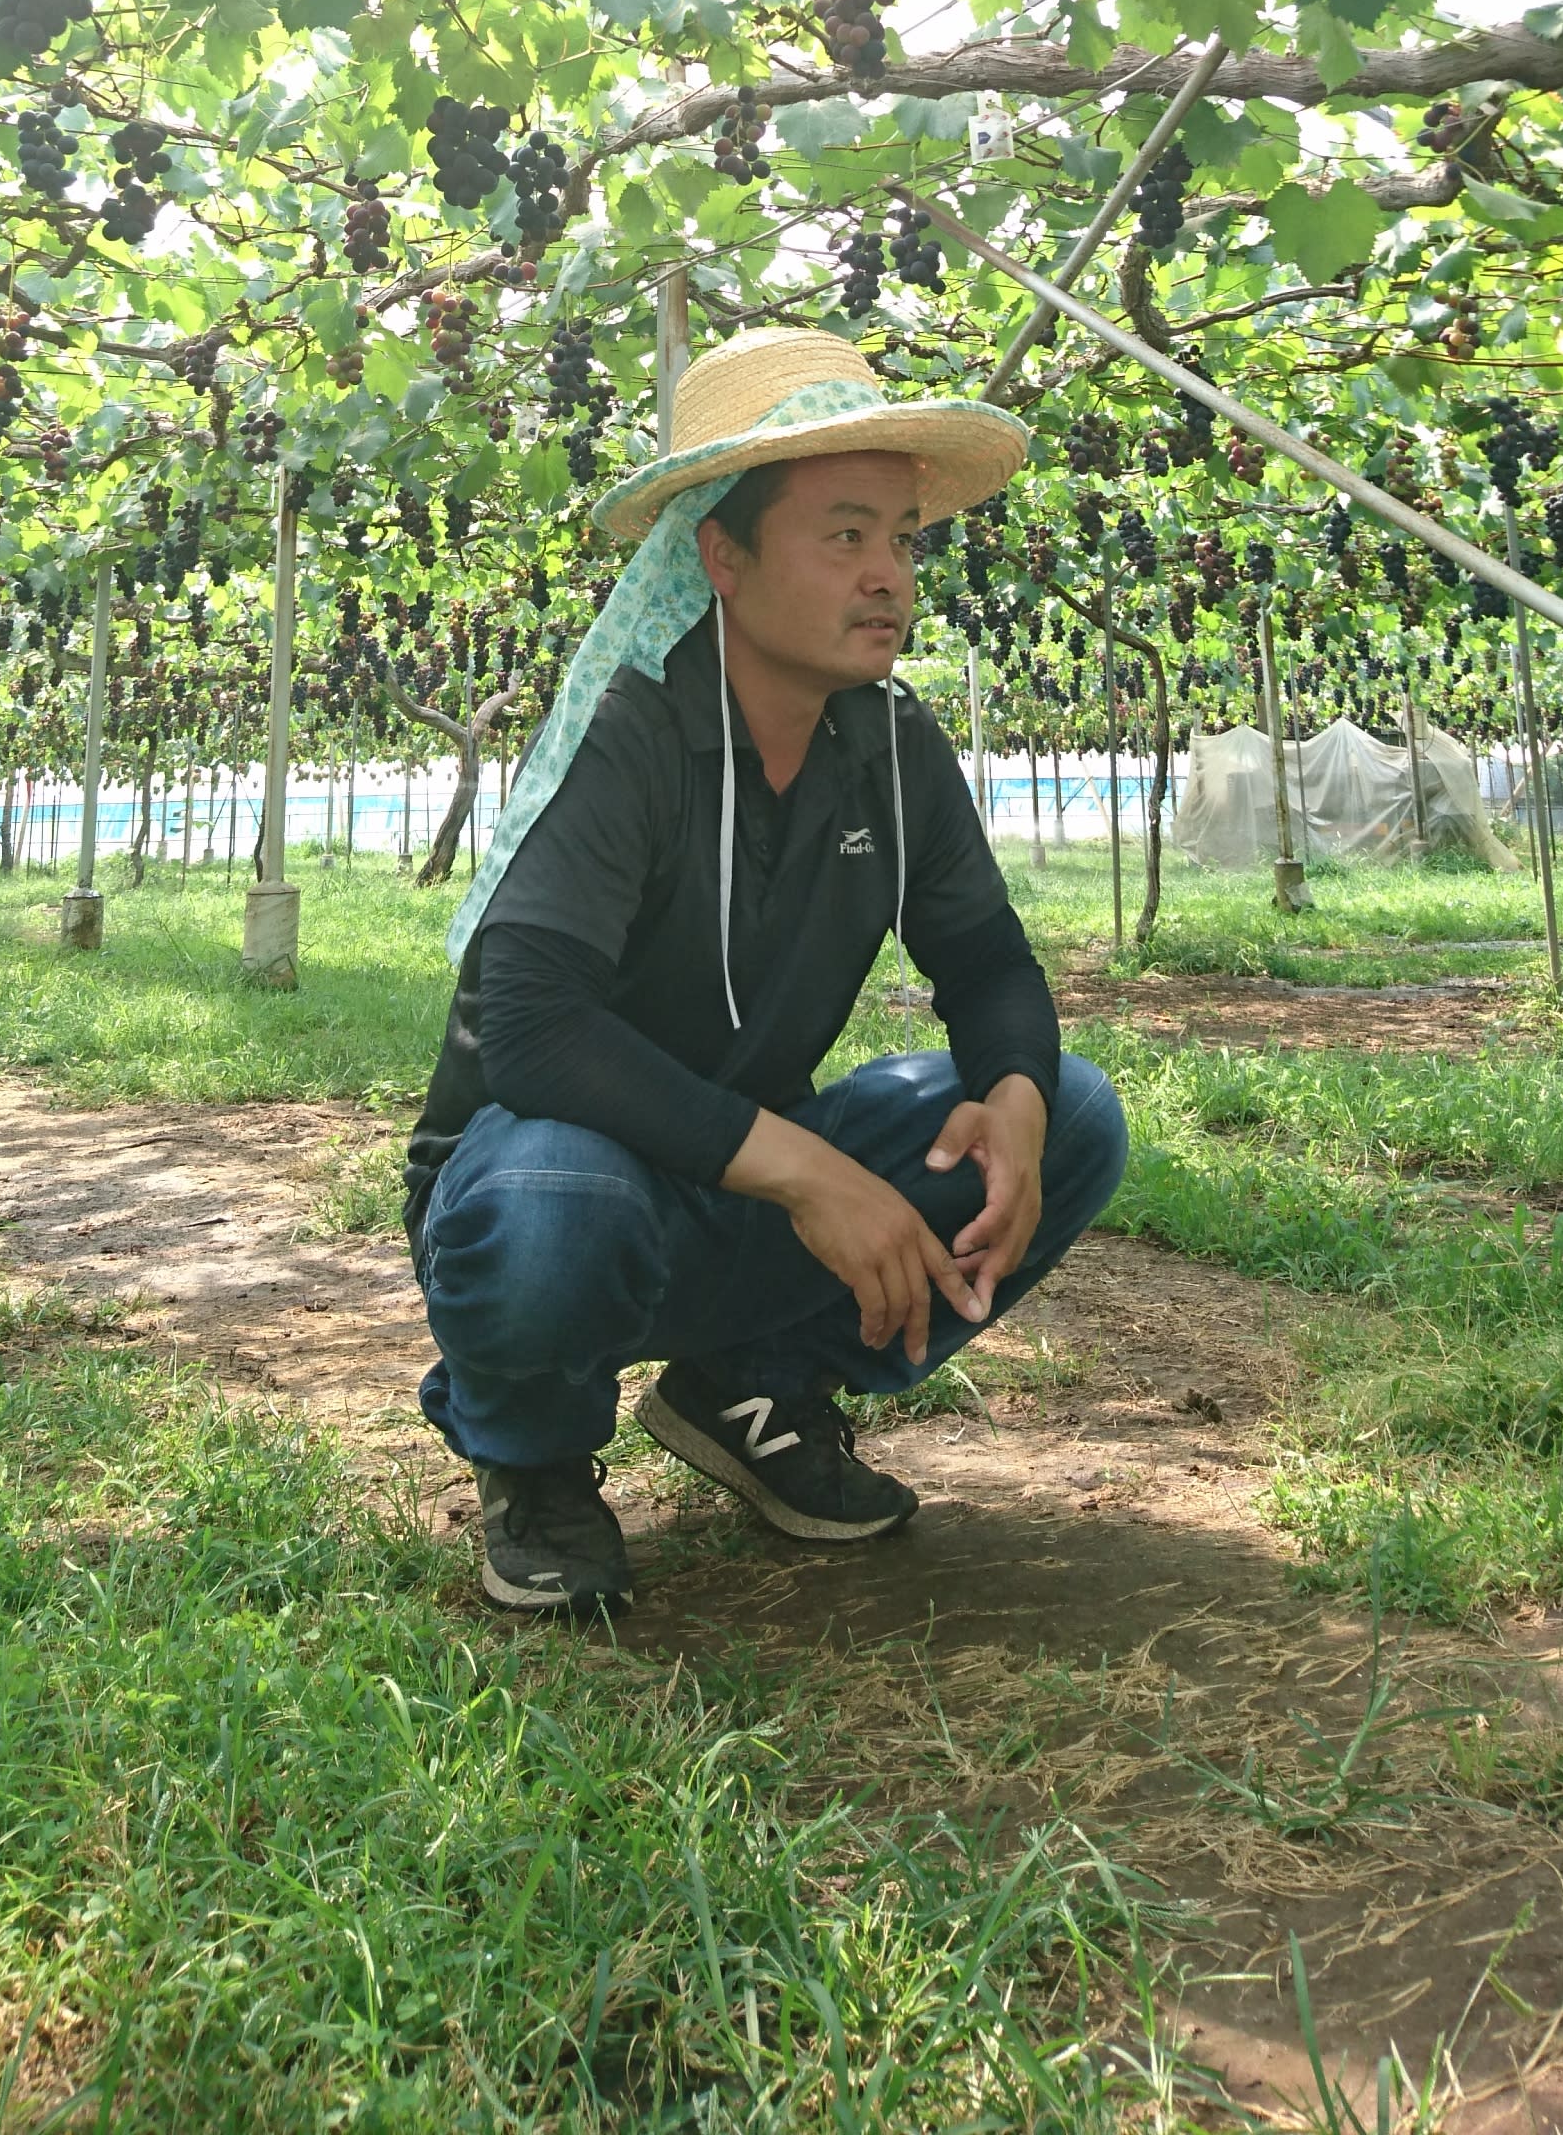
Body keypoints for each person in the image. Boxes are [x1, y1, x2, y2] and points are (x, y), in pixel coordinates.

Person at [404, 325, 1129, 1613]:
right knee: (555, 1195)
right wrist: (814, 1177)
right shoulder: (630, 738)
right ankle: (534, 1458)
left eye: (903, 538)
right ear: (722, 559)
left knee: (1071, 1112)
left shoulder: (894, 747)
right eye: (844, 535)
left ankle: (754, 1389)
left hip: (736, 1183)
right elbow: (528, 1028)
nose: (889, 576)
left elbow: (986, 962)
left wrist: (1011, 1090)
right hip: (559, 1176)